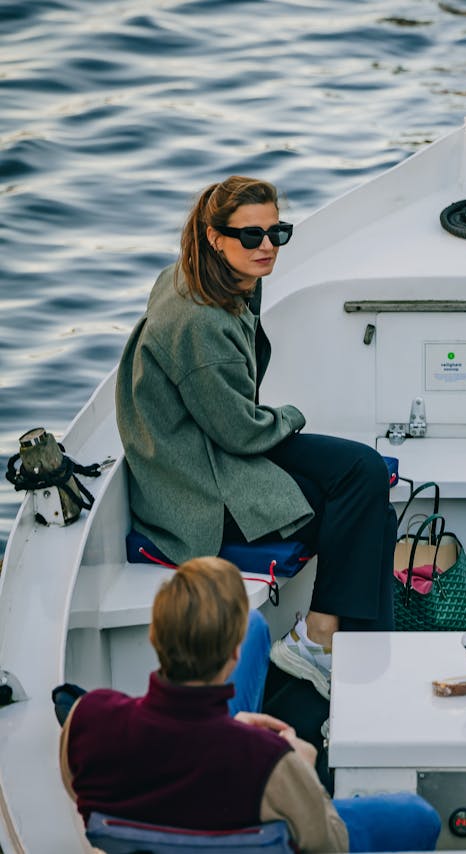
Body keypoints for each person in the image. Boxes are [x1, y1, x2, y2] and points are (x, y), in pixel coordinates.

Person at [115, 176, 397, 698]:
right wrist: (290, 415)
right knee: (363, 478)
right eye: (250, 236)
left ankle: (343, 651)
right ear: (213, 237)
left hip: (209, 448)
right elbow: (242, 432)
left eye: (276, 233)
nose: (267, 247)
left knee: (369, 500)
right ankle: (323, 642)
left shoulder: (204, 277)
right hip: (197, 486)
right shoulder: (201, 325)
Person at [59, 556, 440, 853]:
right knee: (419, 817)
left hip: (202, 777)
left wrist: (230, 735)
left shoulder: (86, 719)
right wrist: (305, 773)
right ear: (232, 657)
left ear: (155, 636)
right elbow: (327, 845)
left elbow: (83, 795)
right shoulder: (272, 763)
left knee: (255, 626)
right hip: (251, 787)